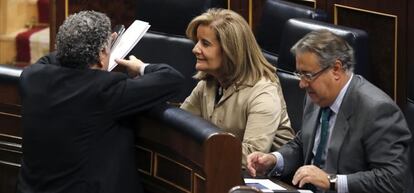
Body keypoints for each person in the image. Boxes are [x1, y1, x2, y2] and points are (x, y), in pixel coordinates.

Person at [17, 11, 183, 193]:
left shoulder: (32, 78)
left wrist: (80, 49)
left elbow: (51, 59)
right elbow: (172, 79)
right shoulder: (104, 90)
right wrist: (141, 67)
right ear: (103, 52)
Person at [247, 29, 412, 193]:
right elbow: (302, 143)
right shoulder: (315, 97)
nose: (302, 84)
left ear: (336, 69)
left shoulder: (377, 110)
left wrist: (331, 181)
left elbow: (393, 179)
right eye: (300, 74)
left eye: (308, 75)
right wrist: (275, 160)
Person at [180, 8, 295, 166]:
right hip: (218, 168)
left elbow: (251, 156)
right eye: (197, 42)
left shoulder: (263, 91)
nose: (195, 49)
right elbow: (181, 124)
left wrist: (196, 146)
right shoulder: (209, 82)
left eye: (205, 44)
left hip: (264, 181)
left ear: (230, 50)